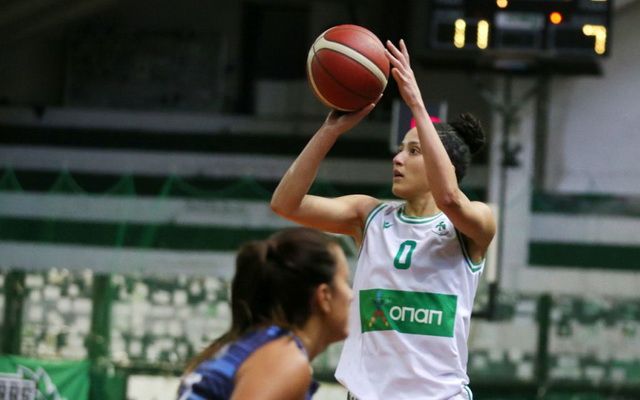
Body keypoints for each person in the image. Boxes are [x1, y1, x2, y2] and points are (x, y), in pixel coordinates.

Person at [270, 39, 496, 400]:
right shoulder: (369, 215)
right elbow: (286, 203)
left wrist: (417, 104)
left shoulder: (474, 223)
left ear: (445, 165)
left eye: (414, 150)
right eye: (400, 149)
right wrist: (330, 131)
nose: (398, 158)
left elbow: (450, 199)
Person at [177, 227, 353, 400]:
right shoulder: (284, 361)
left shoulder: (266, 348)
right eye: (345, 281)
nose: (352, 295)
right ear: (324, 296)